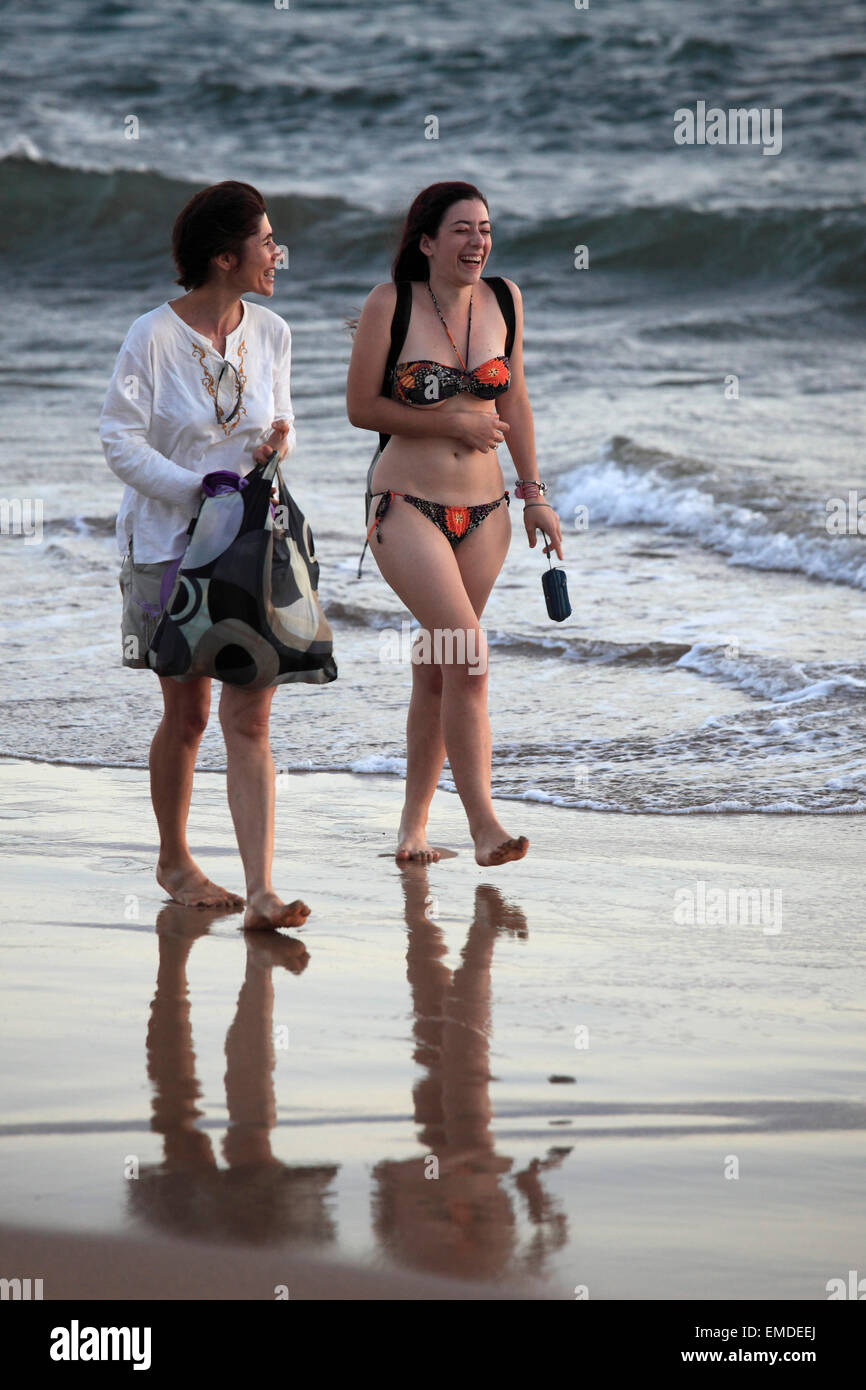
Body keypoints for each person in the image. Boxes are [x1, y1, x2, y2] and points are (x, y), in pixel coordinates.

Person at [100, 180, 309, 929]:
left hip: (250, 545)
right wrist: (197, 488)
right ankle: (175, 861)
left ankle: (261, 892)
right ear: (226, 257)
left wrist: (278, 442)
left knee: (249, 717)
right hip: (166, 543)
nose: (277, 254)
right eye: (266, 241)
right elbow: (117, 440)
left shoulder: (273, 331)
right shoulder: (150, 337)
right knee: (186, 713)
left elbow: (284, 418)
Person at [346, 181, 563, 866]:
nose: (478, 241)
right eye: (463, 229)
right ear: (428, 240)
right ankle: (484, 825)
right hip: (407, 505)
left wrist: (535, 495)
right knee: (468, 656)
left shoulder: (506, 299)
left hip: (489, 513)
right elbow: (361, 407)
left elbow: (518, 400)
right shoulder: (392, 303)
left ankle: (412, 830)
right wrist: (450, 418)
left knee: (441, 665)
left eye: (486, 228)